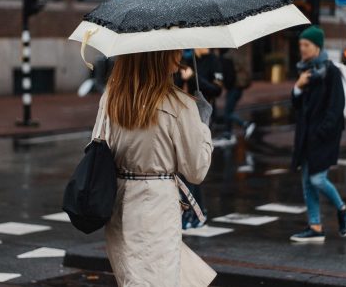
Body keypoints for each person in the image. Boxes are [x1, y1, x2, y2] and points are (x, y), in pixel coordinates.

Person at [93, 49, 216, 286]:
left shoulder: (112, 96)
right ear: (159, 56)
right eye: (175, 50)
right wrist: (202, 125)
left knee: (134, 276)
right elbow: (196, 171)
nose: (180, 55)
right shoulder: (179, 104)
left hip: (118, 202)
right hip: (157, 206)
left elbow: (98, 146)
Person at [289, 26, 346, 243]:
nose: (302, 49)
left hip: (323, 137)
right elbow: (296, 106)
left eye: (306, 45)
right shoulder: (305, 72)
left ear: (317, 46)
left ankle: (342, 209)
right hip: (306, 136)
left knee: (317, 179)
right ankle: (315, 226)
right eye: (300, 45)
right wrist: (298, 87)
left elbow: (336, 107)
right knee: (307, 182)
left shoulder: (330, 72)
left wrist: (321, 132)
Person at [174, 48, 223, 229]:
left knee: (192, 167)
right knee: (185, 168)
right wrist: (182, 76)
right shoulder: (186, 59)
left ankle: (195, 212)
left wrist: (194, 77)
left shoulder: (213, 61)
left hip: (202, 118)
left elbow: (216, 90)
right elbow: (176, 85)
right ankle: (195, 211)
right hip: (183, 116)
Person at [220, 48, 256, 141]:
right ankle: (227, 133)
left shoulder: (227, 57)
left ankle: (246, 124)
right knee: (229, 110)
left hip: (233, 87)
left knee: (228, 112)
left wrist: (226, 85)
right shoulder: (239, 54)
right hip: (239, 87)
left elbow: (229, 75)